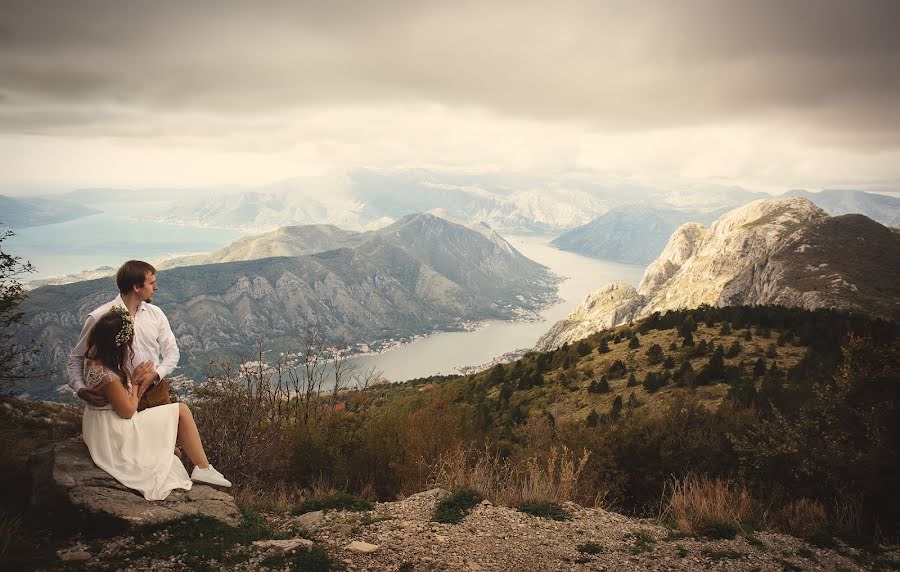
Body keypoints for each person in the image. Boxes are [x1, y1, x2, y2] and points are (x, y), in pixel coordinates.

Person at [81, 308, 230, 499]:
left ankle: (202, 467)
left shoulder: (93, 362)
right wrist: (134, 383)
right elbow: (127, 411)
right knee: (182, 411)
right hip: (117, 433)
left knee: (172, 450)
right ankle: (203, 467)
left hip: (105, 427)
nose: (130, 345)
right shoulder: (107, 376)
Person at [68, 260, 178, 407]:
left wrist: (156, 375)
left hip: (156, 392)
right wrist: (80, 388)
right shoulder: (100, 317)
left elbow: (172, 351)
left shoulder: (156, 314)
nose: (156, 287)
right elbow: (76, 358)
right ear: (137, 287)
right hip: (119, 398)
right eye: (151, 283)